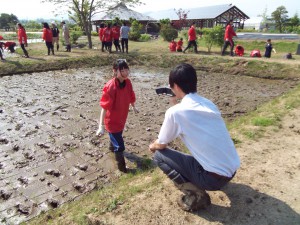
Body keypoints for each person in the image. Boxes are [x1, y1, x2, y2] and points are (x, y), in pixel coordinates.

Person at [149, 63, 240, 212]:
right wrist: (174, 102)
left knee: (159, 155)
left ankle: (196, 196)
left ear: (176, 87)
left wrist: (152, 146)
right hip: (231, 170)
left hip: (213, 180)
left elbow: (162, 144)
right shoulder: (208, 103)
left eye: (172, 86)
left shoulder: (175, 113)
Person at [96, 59, 139, 173]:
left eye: (126, 69)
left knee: (117, 136)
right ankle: (123, 169)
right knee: (120, 146)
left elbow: (131, 95)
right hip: (111, 120)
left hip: (122, 117)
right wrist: (101, 126)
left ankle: (111, 148)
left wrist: (134, 106)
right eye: (122, 70)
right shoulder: (110, 86)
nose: (125, 72)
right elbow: (104, 107)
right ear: (115, 71)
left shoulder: (128, 82)